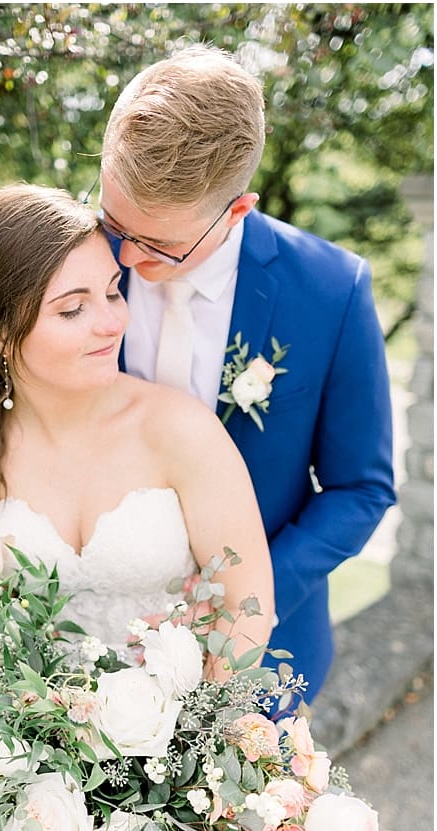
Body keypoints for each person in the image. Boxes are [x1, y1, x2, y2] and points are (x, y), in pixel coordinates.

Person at [0, 185, 275, 831]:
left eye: (112, 292)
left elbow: (247, 607)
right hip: (20, 771)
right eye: (73, 307)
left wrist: (183, 759)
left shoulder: (178, 429)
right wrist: (14, 742)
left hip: (170, 772)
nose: (110, 321)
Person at [97, 46, 395, 702]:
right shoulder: (70, 257)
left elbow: (359, 489)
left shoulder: (330, 290)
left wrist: (246, 604)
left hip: (263, 663)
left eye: (158, 246)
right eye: (113, 222)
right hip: (90, 646)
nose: (122, 255)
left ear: (237, 211)